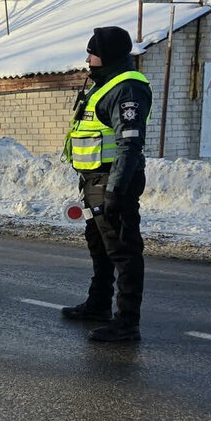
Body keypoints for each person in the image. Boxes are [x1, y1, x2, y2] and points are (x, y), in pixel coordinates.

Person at [60, 26, 152, 342]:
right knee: (99, 246)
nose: (88, 59)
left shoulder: (127, 90)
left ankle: (127, 322)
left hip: (114, 182)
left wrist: (116, 189)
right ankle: (98, 305)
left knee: (123, 250)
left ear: (108, 55)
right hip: (92, 182)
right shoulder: (105, 86)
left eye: (93, 52)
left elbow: (129, 144)